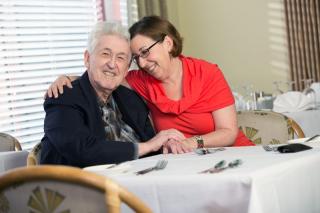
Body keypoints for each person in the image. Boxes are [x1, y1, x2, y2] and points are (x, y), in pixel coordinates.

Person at [47, 16, 254, 151]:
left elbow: (228, 132)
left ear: (168, 43)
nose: (143, 63)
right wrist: (67, 79)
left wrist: (192, 142)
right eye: (137, 58)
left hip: (232, 153)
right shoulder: (141, 80)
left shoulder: (206, 73)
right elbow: (106, 75)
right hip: (188, 164)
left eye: (145, 52)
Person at [41, 21, 187, 168]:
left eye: (121, 58)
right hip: (80, 187)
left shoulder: (130, 99)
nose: (112, 64)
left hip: (137, 183)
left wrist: (166, 143)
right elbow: (81, 150)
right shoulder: (63, 96)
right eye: (106, 54)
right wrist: (147, 146)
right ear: (87, 58)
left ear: (126, 69)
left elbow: (153, 148)